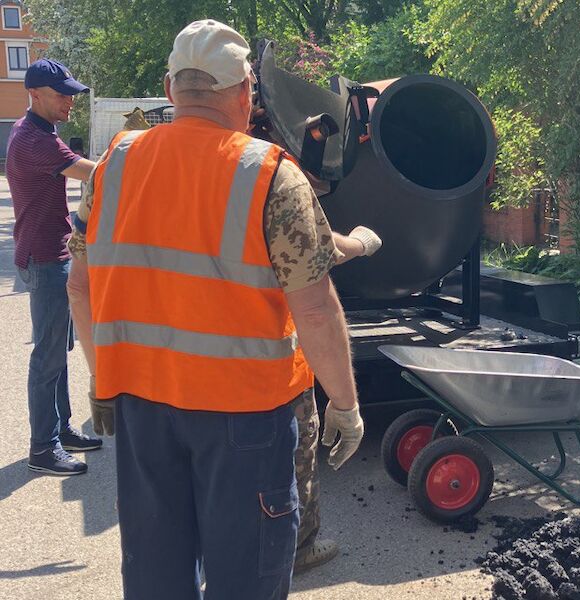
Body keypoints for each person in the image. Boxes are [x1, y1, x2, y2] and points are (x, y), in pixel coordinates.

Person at [65, 20, 372, 598]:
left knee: (156, 578)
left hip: (142, 408)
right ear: (246, 91)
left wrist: (102, 379)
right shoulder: (270, 174)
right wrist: (346, 405)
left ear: (170, 87)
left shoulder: (114, 165)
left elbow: (79, 288)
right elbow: (315, 310)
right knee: (245, 581)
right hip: (245, 418)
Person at [8, 58, 101, 476]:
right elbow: (95, 175)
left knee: (58, 352)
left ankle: (60, 430)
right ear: (35, 94)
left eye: (72, 94)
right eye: (62, 94)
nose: (70, 101)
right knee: (47, 357)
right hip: (44, 258)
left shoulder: (40, 130)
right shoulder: (35, 140)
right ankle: (42, 448)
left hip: (51, 254)